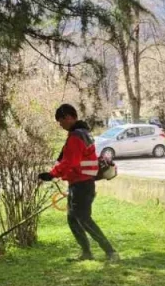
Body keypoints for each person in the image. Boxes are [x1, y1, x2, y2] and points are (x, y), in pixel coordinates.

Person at [39, 104, 119, 263]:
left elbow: (70, 162)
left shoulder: (76, 136)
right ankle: (87, 252)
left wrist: (52, 174)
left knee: (83, 218)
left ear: (68, 117)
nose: (60, 125)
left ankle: (111, 252)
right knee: (73, 218)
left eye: (60, 121)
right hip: (80, 183)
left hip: (82, 184)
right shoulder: (83, 133)